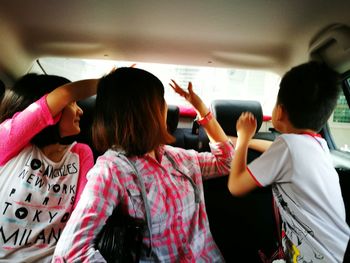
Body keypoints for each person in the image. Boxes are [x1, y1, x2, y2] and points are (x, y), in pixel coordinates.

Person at [52, 67, 234, 262]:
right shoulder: (112, 170)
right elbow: (70, 254)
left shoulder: (178, 158)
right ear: (147, 110)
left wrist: (201, 109)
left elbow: (227, 161)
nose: (166, 107)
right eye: (161, 101)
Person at [228, 61, 350, 262]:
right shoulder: (317, 146)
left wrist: (242, 138)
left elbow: (235, 185)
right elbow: (278, 150)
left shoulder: (286, 147)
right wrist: (243, 140)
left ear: (280, 110)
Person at [0, 73, 98, 262]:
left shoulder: (81, 153)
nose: (81, 111)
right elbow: (64, 93)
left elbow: (80, 218)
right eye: (73, 103)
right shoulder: (8, 141)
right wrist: (109, 82)